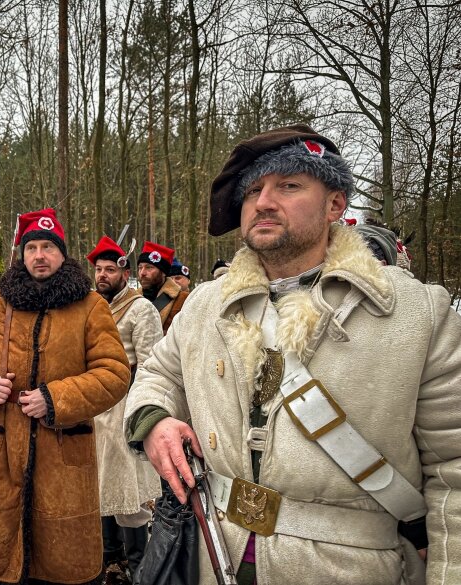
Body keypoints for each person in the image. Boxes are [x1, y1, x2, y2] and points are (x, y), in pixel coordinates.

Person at [124, 124, 461, 585]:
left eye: (289, 185)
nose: (263, 201)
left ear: (335, 205)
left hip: (352, 567)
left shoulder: (417, 313)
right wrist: (155, 420)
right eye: (254, 190)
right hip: (211, 554)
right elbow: (157, 374)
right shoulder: (205, 303)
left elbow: (454, 471)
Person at [0, 209, 130, 585]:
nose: (39, 255)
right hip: (2, 456)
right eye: (31, 247)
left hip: (64, 457)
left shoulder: (90, 306)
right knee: (1, 561)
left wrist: (56, 398)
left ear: (63, 255)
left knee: (61, 566)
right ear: (22, 253)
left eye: (48, 247)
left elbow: (114, 372)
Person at [87, 236, 162, 580]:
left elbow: (151, 362)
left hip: (123, 409)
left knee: (127, 491)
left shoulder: (140, 308)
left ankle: (137, 563)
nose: (102, 275)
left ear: (124, 272)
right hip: (93, 409)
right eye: (98, 270)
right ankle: (108, 555)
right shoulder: (91, 306)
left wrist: (139, 407)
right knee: (100, 485)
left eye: (108, 270)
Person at [136, 241, 189, 334]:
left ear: (163, 272)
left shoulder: (183, 299)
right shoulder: (132, 298)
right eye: (140, 267)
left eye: (149, 267)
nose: (142, 273)